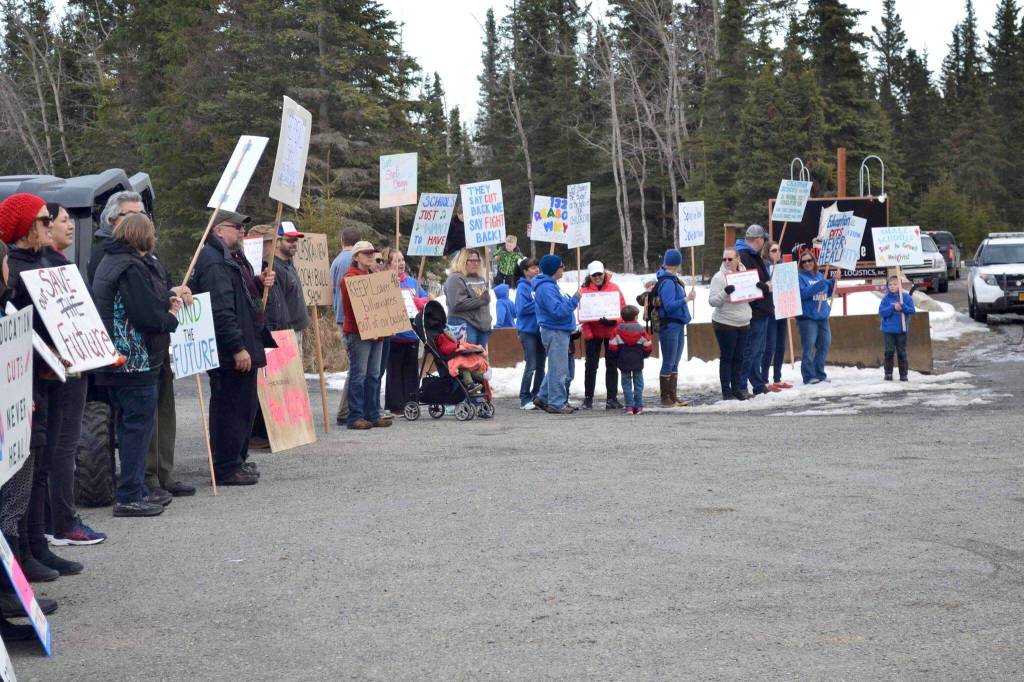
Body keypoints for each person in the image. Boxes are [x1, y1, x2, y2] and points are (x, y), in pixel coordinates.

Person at [0, 193, 80, 587]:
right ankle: (23, 554)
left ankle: (37, 545)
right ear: (27, 226)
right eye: (45, 220)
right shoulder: (13, 269)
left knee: (41, 464)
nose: (51, 225)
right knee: (22, 471)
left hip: (49, 378)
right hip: (24, 384)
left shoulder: (47, 262)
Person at [92, 214, 181, 515]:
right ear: (142, 235)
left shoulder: (111, 261)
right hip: (134, 360)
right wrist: (170, 318)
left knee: (129, 426)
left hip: (118, 359)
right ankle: (130, 494)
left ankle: (137, 488)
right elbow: (144, 314)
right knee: (136, 429)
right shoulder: (130, 267)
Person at [191, 209, 276, 485]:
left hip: (243, 343)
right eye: (236, 227)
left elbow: (239, 294)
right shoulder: (214, 262)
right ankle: (226, 466)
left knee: (244, 407)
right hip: (230, 350)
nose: (241, 232)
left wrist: (257, 282)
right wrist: (237, 347)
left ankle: (237, 459)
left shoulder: (232, 259)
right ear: (218, 230)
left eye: (242, 228)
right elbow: (222, 309)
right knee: (230, 408)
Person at [40, 204, 108, 545]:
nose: (72, 226)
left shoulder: (60, 264)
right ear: (45, 226)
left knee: (60, 448)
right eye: (65, 220)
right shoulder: (42, 268)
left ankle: (55, 522)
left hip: (75, 364)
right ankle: (61, 522)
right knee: (61, 448)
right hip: (58, 370)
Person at [339, 240, 391, 430]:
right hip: (359, 333)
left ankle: (372, 413)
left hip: (377, 331)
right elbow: (351, 308)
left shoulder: (374, 276)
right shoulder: (349, 278)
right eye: (366, 253)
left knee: (374, 374)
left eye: (372, 253)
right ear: (356, 257)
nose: (370, 256)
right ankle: (355, 416)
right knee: (359, 375)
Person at [532, 254, 582, 415]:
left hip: (557, 331)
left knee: (556, 368)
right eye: (561, 266)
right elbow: (558, 311)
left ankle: (543, 397)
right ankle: (556, 403)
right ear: (554, 269)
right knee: (559, 370)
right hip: (555, 331)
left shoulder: (550, 286)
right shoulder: (546, 288)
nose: (564, 268)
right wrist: (574, 300)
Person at [382, 247, 428, 414]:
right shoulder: (385, 281)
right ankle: (395, 405)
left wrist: (419, 302)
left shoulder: (411, 282)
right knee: (394, 372)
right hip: (394, 337)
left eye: (402, 260)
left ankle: (411, 403)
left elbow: (425, 298)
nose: (401, 263)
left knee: (410, 372)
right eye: (397, 260)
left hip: (411, 335)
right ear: (389, 264)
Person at [708, 248, 753, 401]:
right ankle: (726, 391)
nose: (727, 262)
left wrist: (757, 290)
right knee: (727, 357)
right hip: (725, 323)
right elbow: (712, 301)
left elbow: (749, 298)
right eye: (724, 259)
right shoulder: (719, 277)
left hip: (743, 322)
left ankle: (737, 388)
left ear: (738, 259)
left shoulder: (745, 274)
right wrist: (725, 292)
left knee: (739, 357)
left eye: (730, 259)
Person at [579, 261, 625, 410]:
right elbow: (581, 316)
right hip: (593, 334)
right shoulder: (584, 291)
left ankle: (612, 398)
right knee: (591, 366)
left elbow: (623, 310)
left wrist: (614, 321)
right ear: (590, 276)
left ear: (604, 273)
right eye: (594, 275)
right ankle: (588, 398)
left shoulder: (614, 288)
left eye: (600, 274)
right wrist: (589, 334)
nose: (597, 277)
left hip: (611, 332)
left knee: (612, 365)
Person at [735, 224, 775, 396]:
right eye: (764, 240)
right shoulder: (744, 256)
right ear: (758, 240)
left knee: (756, 351)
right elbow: (745, 285)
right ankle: (742, 385)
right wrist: (765, 288)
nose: (764, 243)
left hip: (760, 310)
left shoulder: (750, 255)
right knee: (751, 350)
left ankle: (757, 384)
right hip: (755, 310)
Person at [653, 249, 695, 407]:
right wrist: (686, 299)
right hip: (670, 325)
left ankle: (672, 396)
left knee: (675, 361)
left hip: (677, 324)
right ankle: (666, 398)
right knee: (669, 361)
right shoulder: (668, 282)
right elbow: (669, 306)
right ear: (678, 263)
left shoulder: (672, 279)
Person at [331, 226, 361, 424]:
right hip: (353, 319)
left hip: (340, 315)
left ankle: (350, 408)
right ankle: (345, 410)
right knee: (356, 366)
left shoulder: (335, 262)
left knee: (355, 365)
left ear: (342, 240)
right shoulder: (354, 263)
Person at [796, 249, 839, 385]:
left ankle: (819, 373)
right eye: (804, 262)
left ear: (814, 262)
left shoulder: (820, 275)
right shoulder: (799, 277)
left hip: (822, 316)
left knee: (825, 344)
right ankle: (808, 375)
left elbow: (826, 292)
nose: (807, 263)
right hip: (807, 317)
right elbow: (801, 294)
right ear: (801, 264)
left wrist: (832, 282)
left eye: (809, 260)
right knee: (808, 347)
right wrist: (819, 286)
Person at [89, 190, 148, 284]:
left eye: (142, 214)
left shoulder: (142, 248)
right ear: (112, 220)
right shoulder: (106, 252)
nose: (139, 220)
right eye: (131, 215)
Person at [607, 305, 652, 415]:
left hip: (623, 361)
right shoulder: (641, 330)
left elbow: (612, 347)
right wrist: (644, 355)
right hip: (637, 361)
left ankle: (629, 407)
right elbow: (648, 345)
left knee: (626, 384)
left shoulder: (617, 330)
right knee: (639, 384)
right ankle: (639, 406)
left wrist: (616, 356)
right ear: (636, 317)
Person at [444, 248, 493, 347]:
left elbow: (483, 301)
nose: (475, 263)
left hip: (482, 327)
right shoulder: (455, 278)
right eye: (471, 260)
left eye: (477, 261)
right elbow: (457, 304)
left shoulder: (480, 279)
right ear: (463, 261)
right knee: (467, 360)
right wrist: (482, 300)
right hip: (465, 325)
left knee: (479, 361)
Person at [514, 257, 545, 410]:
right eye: (532, 268)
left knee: (541, 365)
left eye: (537, 267)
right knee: (531, 365)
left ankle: (537, 395)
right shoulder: (522, 288)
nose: (536, 270)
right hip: (527, 331)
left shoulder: (540, 285)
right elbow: (521, 309)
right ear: (525, 271)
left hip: (541, 330)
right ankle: (524, 397)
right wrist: (539, 301)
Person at [761, 241, 792, 391]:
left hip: (782, 308)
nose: (777, 253)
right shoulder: (765, 267)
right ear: (767, 252)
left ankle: (777, 378)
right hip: (770, 311)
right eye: (774, 250)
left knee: (781, 345)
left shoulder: (783, 267)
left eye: (779, 250)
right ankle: (764, 379)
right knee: (770, 346)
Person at [879, 275, 916, 381]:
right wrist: (893, 307)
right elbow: (882, 312)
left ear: (900, 285)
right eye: (890, 284)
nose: (892, 286)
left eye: (895, 284)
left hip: (901, 330)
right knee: (889, 351)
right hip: (888, 330)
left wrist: (902, 307)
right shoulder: (886, 299)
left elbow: (912, 310)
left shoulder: (905, 297)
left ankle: (903, 374)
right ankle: (888, 373)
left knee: (901, 352)